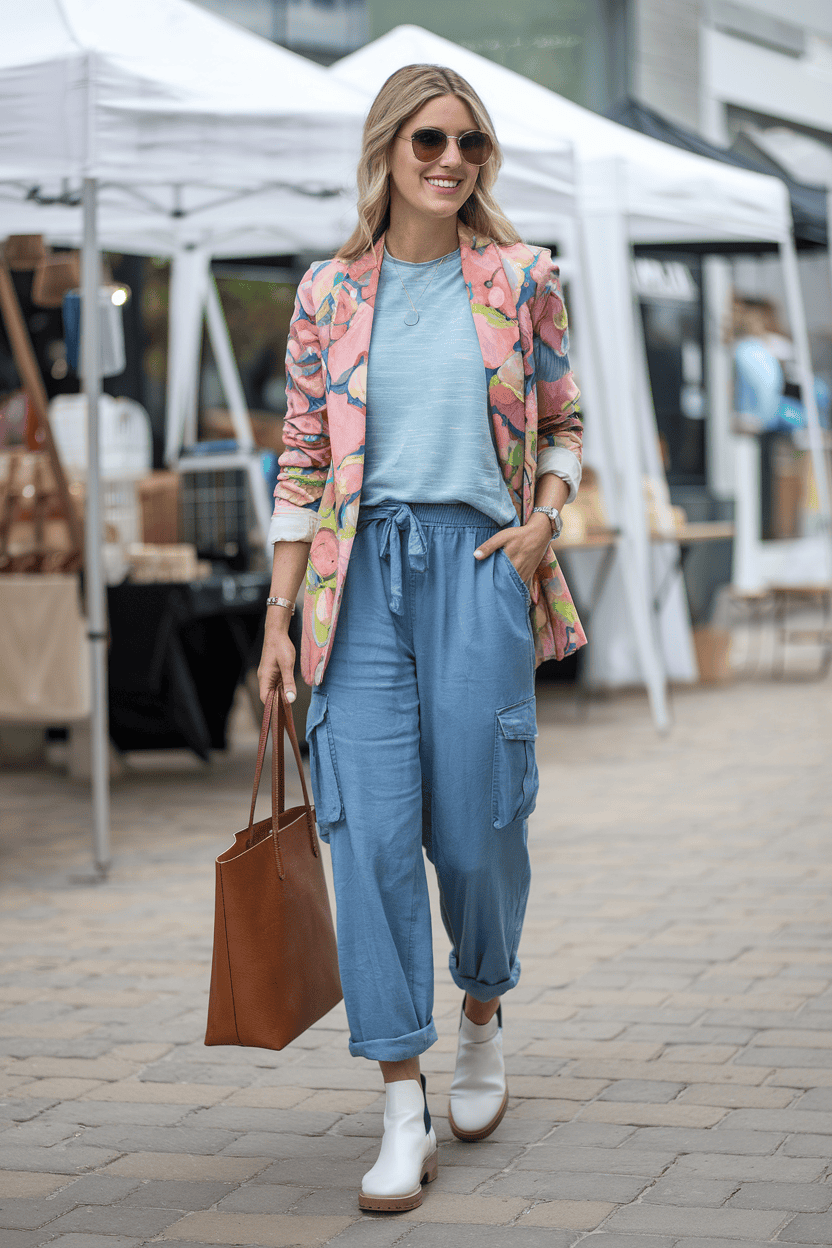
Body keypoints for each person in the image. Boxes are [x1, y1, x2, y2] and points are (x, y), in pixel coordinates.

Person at [257, 63, 585, 1214]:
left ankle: (482, 1010)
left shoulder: (524, 278)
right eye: (431, 141)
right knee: (374, 841)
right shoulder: (327, 293)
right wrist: (277, 617)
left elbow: (562, 418)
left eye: (472, 145)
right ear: (388, 148)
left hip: (481, 568)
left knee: (485, 829)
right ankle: (402, 1100)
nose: (452, 161)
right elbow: (301, 455)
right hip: (353, 591)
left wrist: (547, 517)